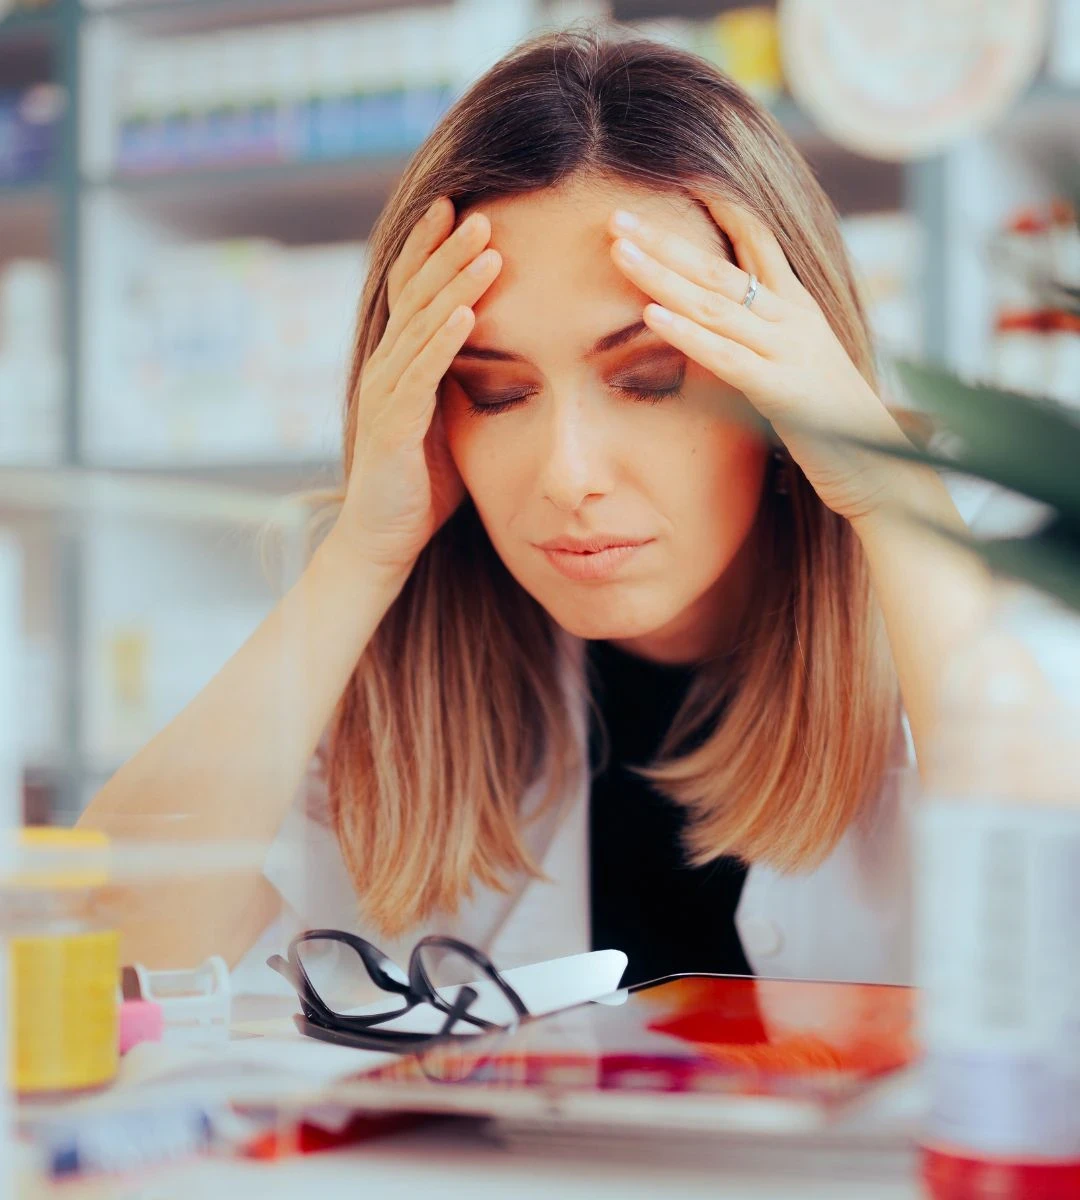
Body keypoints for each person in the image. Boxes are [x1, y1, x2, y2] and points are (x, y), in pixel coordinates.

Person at [81, 27, 989, 993]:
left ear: (790, 383)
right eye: (497, 394)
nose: (568, 474)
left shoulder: (946, 620)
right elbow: (110, 947)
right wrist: (363, 553)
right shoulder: (407, 680)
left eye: (649, 377)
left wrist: (891, 497)